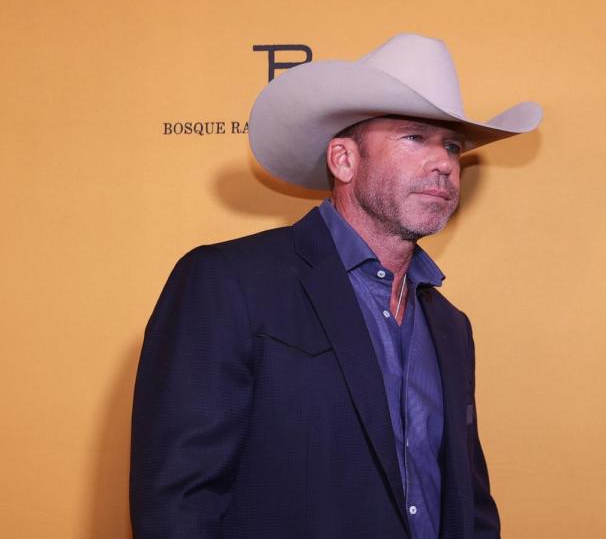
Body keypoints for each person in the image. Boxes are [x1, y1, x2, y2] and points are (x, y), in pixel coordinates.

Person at [130, 33, 541, 539]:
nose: (443, 163)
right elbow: (177, 508)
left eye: (451, 146)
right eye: (414, 137)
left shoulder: (450, 326)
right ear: (343, 160)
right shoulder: (228, 283)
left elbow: (468, 507)